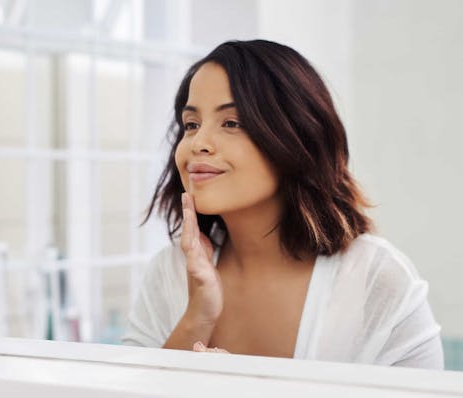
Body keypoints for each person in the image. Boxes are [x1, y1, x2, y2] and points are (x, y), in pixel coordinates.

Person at [122, 40, 443, 369]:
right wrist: (197, 317)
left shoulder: (376, 281)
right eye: (191, 124)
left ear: (296, 137)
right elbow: (131, 389)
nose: (198, 143)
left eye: (231, 123)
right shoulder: (171, 273)